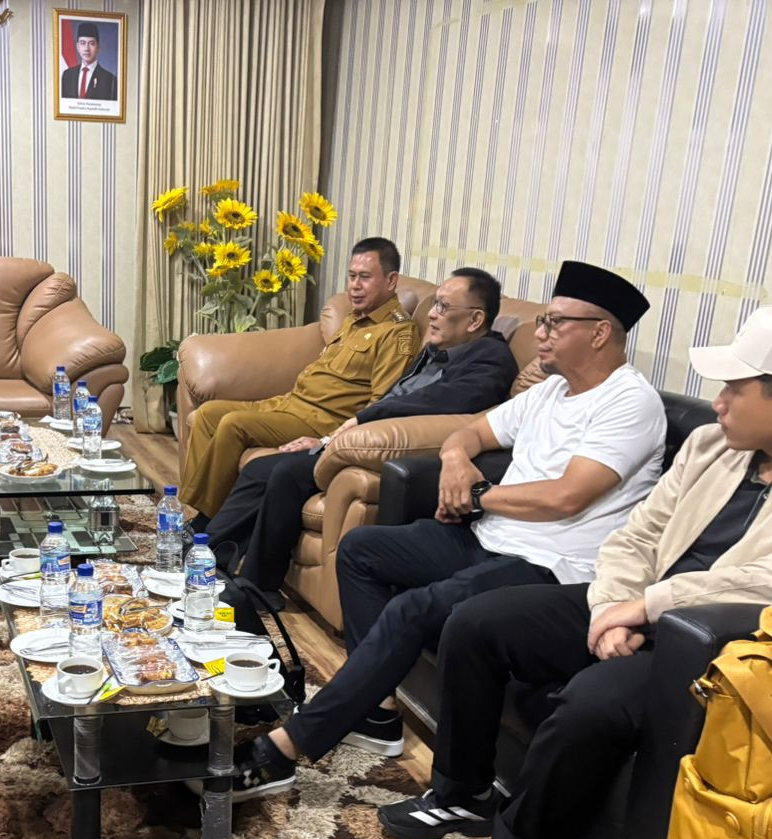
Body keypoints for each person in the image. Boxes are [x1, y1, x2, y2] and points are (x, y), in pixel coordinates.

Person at [418, 307, 772, 839]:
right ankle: (462, 792)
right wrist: (612, 606)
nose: (718, 404)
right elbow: (638, 535)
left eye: (733, 388)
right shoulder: (713, 447)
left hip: (721, 646)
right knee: (477, 622)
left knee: (590, 706)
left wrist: (649, 607)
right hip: (632, 602)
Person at [226, 260, 666, 797]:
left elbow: (565, 496)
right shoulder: (551, 391)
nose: (541, 334)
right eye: (543, 322)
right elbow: (470, 432)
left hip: (548, 565)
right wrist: (456, 461)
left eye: (554, 323)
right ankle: (377, 711)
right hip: (488, 537)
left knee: (413, 608)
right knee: (363, 549)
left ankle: (285, 748)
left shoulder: (630, 402)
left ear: (599, 333)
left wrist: (477, 497)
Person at [203, 266, 521, 595]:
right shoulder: (439, 349)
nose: (432, 314)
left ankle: (254, 587)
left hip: (387, 452)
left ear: (475, 319)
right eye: (433, 304)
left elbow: (438, 402)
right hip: (359, 438)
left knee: (286, 472)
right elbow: (397, 395)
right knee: (260, 469)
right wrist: (327, 439)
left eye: (443, 306)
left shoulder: (490, 359)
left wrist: (361, 422)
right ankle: (207, 556)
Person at [182, 237, 418, 519]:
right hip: (290, 403)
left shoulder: (397, 332)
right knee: (208, 414)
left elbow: (382, 404)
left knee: (233, 424)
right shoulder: (354, 318)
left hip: (320, 419)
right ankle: (196, 511)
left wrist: (328, 440)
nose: (354, 286)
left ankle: (205, 524)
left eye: (365, 277)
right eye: (352, 276)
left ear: (391, 281)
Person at [61, 21, 117, 101]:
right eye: (83, 43)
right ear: (77, 47)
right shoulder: (67, 75)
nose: (86, 48)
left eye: (91, 43)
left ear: (98, 47)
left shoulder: (110, 80)